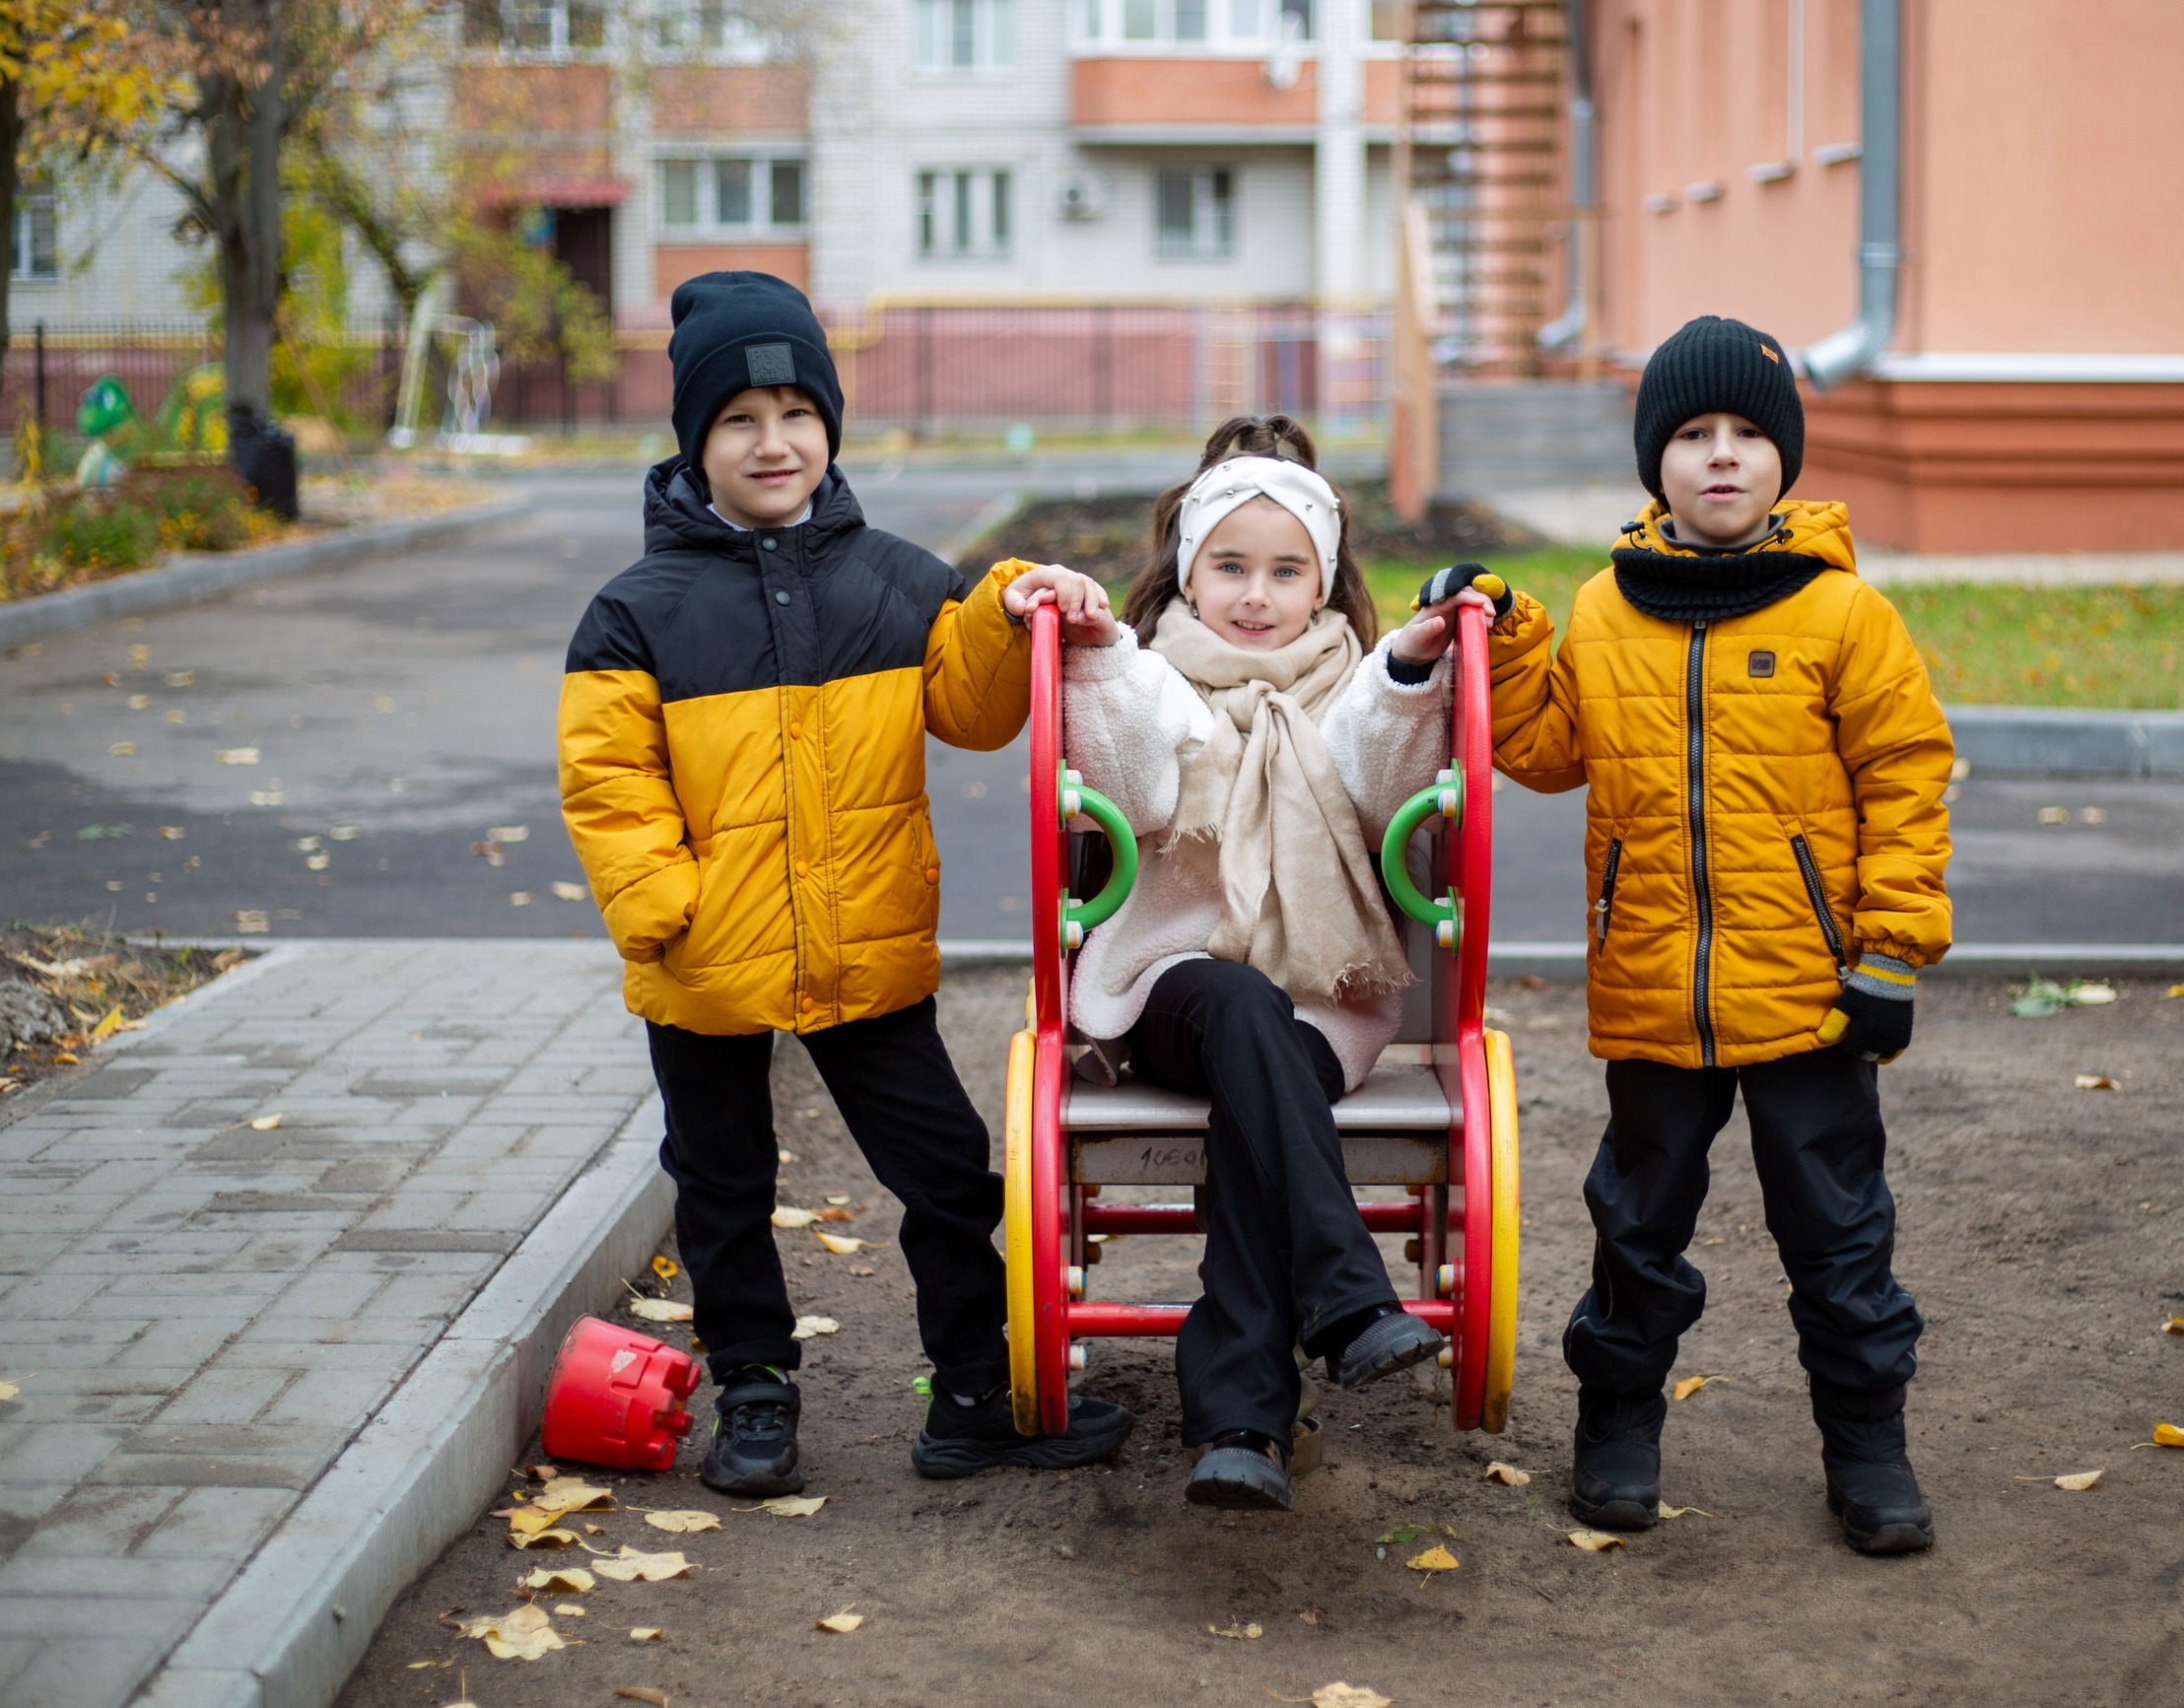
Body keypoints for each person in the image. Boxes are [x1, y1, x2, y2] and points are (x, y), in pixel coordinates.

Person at [556, 270, 1132, 1497]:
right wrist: (663, 908)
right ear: (694, 440)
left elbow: (974, 710)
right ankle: (754, 1394)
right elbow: (607, 779)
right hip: (707, 952)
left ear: (829, 424)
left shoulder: (895, 578)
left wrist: (1009, 605)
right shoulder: (637, 612)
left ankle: (972, 1393)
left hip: (866, 939)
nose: (773, 443)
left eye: (796, 414)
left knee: (946, 1170)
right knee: (721, 1184)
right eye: (738, 420)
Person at [1436, 314, 1953, 1552]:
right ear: (1652, 463)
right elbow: (1547, 750)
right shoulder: (1605, 609)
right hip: (1654, 988)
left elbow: (1906, 778)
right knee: (1636, 1226)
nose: (1720, 455)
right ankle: (1617, 1426)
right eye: (1690, 435)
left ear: (1783, 459)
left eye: (1745, 435)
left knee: (1838, 1235)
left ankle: (1868, 1449)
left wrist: (1889, 953)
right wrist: (1502, 637)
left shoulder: (1844, 615)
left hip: (1810, 995)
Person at [1053, 415, 1495, 1512]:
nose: (1257, 596)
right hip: (1170, 985)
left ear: (1324, 582)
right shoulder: (1152, 678)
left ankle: (1242, 1427)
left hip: (1318, 1006)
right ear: (1188, 572)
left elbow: (1386, 792)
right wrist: (1098, 655)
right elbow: (1130, 790)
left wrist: (1412, 671)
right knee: (1242, 1008)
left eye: (1287, 571)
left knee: (1268, 1082)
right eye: (1231, 568)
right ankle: (1346, 1296)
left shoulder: (1358, 687)